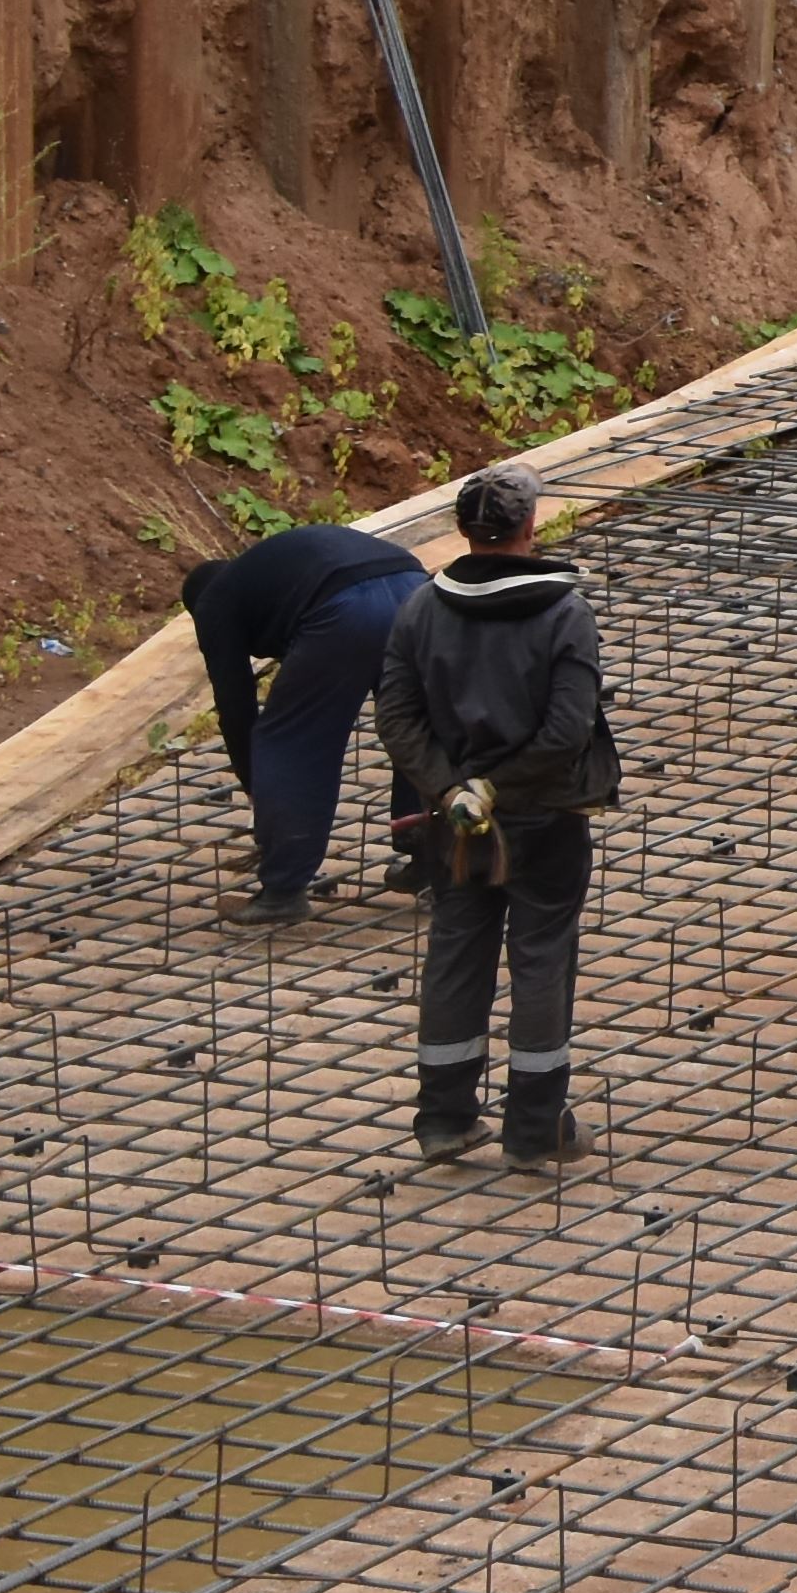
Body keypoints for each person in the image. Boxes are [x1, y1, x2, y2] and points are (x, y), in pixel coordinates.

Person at [376, 466, 615, 1164]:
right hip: (541, 820)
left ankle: (444, 1120)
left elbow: (397, 714)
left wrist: (451, 789)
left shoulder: (422, 607)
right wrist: (494, 788)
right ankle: (536, 1128)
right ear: (529, 528)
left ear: (463, 532)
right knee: (541, 960)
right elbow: (568, 730)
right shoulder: (563, 613)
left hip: (454, 824)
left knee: (455, 951)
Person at [179, 516, 420, 920]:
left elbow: (235, 703)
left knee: (291, 741)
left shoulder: (213, 601)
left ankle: (283, 890)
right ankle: (432, 858)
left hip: (347, 605)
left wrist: (257, 783)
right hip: (415, 588)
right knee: (416, 725)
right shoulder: (271, 574)